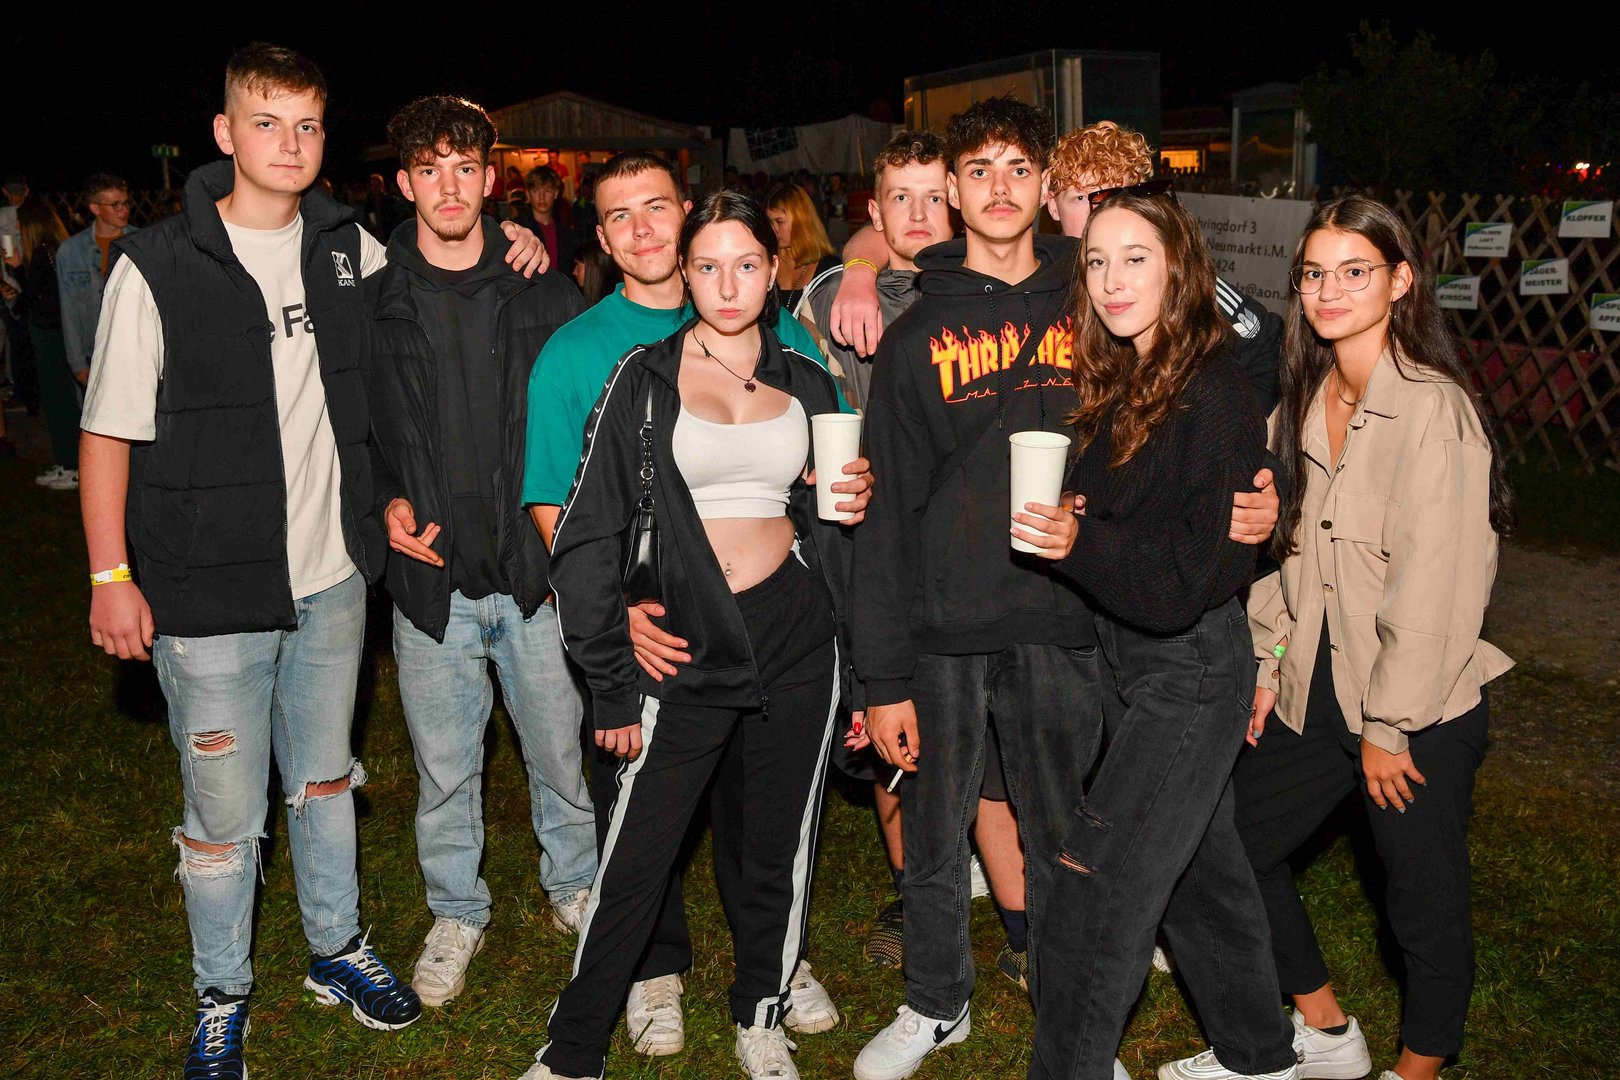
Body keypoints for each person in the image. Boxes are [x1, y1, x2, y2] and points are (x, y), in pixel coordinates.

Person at [75, 43, 545, 1080]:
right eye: (266, 122)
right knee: (223, 819)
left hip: (332, 580)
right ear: (224, 133)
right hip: (208, 594)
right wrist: (112, 577)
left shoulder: (345, 246)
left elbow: (436, 263)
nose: (288, 144)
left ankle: (336, 948)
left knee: (326, 782)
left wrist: (514, 235)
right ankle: (222, 994)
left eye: (307, 125)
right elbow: (105, 433)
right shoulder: (157, 265)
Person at [522, 150, 861, 1058]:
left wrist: (853, 501)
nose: (727, 283)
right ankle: (573, 1051)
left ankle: (761, 1015)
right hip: (684, 636)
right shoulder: (643, 377)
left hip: (796, 633)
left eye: (746, 263)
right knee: (637, 856)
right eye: (707, 266)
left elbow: (835, 527)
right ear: (686, 270)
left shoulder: (807, 377)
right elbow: (584, 535)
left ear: (774, 267)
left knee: (781, 843)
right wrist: (609, 677)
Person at [1204, 195, 1515, 1080]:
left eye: (1355, 271)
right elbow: (1285, 557)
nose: (1330, 290)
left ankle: (1420, 1068)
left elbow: (1440, 586)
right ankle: (1326, 1029)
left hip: (1416, 708)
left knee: (1422, 896)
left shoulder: (1433, 410)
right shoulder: (1304, 400)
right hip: (1316, 686)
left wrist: (1389, 726)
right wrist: (1268, 663)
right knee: (1229, 843)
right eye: (1315, 274)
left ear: (1401, 281)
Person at [847, 96, 1123, 1080]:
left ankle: (1071, 1015)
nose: (999, 187)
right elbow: (885, 516)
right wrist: (883, 679)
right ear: (954, 193)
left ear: (1046, 187)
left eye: (1017, 168)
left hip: (1062, 617)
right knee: (934, 830)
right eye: (979, 170)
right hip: (944, 627)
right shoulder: (917, 333)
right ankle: (935, 1000)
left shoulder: (1096, 308)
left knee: (1062, 834)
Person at [1012, 186, 1300, 1080]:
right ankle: (1261, 1057)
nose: (1111, 279)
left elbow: (1181, 582)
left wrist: (1081, 540)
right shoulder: (1132, 377)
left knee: (1097, 885)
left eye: (1135, 258)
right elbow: (1147, 511)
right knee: (1201, 876)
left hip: (1189, 670)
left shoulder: (1211, 390)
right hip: (1136, 663)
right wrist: (1085, 512)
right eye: (1097, 261)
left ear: (1180, 268)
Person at [364, 94, 597, 1011]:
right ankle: (456, 909)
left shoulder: (544, 288)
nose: (450, 187)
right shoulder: (374, 299)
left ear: (491, 178)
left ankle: (574, 885)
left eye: (466, 168)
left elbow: (590, 421)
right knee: (444, 770)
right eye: (431, 170)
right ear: (405, 183)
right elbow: (353, 430)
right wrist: (379, 503)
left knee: (560, 755)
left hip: (533, 577)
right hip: (432, 582)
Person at [4, 199, 79, 488]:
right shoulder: (58, 250)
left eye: (20, 223)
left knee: (59, 402)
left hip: (51, 336)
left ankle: (72, 466)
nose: (16, 228)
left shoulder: (42, 254)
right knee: (61, 401)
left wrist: (17, 273)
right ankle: (67, 462)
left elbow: (40, 302)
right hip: (58, 333)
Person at [58, 174, 138, 389]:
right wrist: (77, 362)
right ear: (95, 208)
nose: (123, 210)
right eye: (115, 205)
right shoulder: (72, 251)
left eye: (126, 203)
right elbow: (69, 310)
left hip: (136, 348)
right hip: (94, 351)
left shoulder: (142, 242)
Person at [766, 182, 838, 313]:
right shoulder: (767, 264)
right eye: (769, 222)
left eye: (779, 222)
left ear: (801, 221)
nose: (773, 229)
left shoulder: (830, 269)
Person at [518, 166, 578, 272]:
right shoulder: (519, 229)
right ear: (528, 194)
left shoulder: (566, 232)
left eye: (547, 191)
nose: (541, 197)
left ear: (556, 193)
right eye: (536, 191)